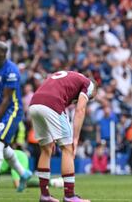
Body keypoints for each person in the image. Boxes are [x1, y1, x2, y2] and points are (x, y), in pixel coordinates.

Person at [29, 71, 96, 202]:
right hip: (51, 104)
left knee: (46, 149)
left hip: (34, 104)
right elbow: (80, 110)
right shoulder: (89, 84)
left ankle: (45, 195)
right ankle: (70, 196)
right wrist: (75, 139)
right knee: (67, 149)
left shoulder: (68, 76)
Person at [0, 41, 32, 194]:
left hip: (12, 110)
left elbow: (6, 100)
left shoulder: (11, 71)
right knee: (4, 148)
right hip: (0, 111)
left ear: (3, 52)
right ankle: (23, 174)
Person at [0, 150, 64, 189]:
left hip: (16, 158)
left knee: (18, 185)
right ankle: (54, 182)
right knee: (24, 182)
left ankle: (53, 182)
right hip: (15, 158)